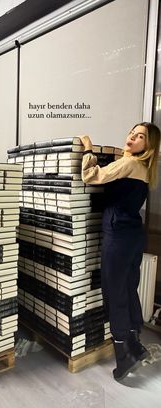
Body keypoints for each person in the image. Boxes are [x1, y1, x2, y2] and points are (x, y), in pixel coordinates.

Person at [79, 122, 161, 381]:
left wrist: (89, 150)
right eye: (132, 133)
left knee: (113, 292)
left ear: (148, 146)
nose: (133, 138)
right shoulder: (146, 169)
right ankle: (136, 346)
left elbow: (91, 176)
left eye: (141, 137)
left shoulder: (128, 165)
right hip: (134, 234)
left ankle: (123, 357)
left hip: (117, 233)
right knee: (128, 287)